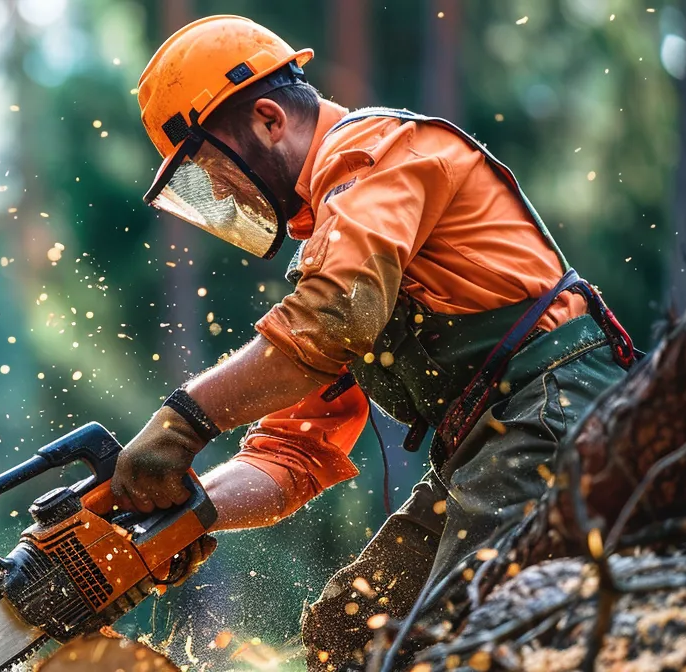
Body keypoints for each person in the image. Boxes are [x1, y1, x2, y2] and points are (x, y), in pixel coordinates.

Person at [109, 15, 641, 669]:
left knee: (469, 636)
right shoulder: (334, 239)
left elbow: (335, 315)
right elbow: (292, 453)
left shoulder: (379, 153)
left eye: (212, 168)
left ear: (270, 121)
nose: (217, 191)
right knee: (352, 633)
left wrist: (181, 423)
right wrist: (191, 512)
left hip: (561, 412)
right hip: (491, 444)